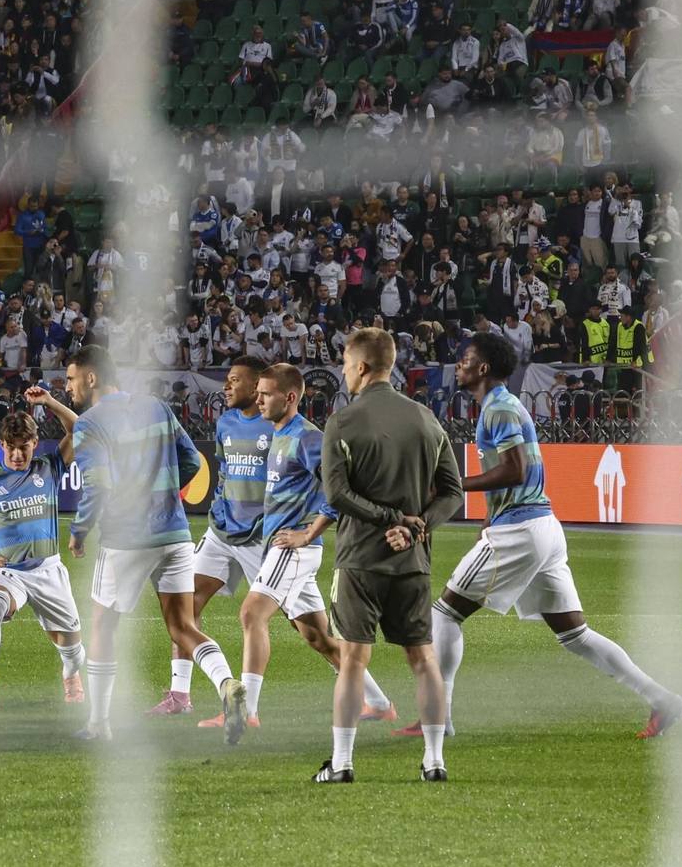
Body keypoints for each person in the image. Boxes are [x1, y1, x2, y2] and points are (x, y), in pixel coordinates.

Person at [405, 334, 682, 740]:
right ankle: (663, 698)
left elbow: (515, 470)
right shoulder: (503, 404)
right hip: (541, 527)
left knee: (445, 613)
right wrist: (490, 515)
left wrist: (451, 485)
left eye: (465, 359)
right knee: (575, 635)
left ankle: (439, 718)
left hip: (521, 529)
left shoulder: (498, 408)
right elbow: (521, 473)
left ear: (483, 368)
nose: (459, 364)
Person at [66, 344, 247, 743]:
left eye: (70, 378)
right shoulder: (157, 407)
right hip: (175, 534)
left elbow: (98, 486)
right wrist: (161, 490)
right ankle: (226, 684)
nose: (67, 388)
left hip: (126, 538)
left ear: (91, 377)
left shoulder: (90, 422)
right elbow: (193, 463)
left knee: (102, 626)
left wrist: (79, 532)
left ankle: (98, 724)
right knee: (182, 626)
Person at [317, 327, 465, 784]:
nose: (343, 373)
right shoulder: (427, 419)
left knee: (353, 661)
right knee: (423, 660)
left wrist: (388, 519)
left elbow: (337, 495)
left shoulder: (341, 422)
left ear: (360, 366)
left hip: (360, 561)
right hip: (412, 564)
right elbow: (453, 493)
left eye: (344, 365)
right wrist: (417, 526)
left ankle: (341, 764)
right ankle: (435, 760)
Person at [234, 362, 398, 737]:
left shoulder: (307, 438)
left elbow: (338, 491)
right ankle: (380, 705)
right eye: (257, 391)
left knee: (251, 613)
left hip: (293, 548)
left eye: (265, 393)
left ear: (289, 397)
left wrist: (308, 533)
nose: (257, 399)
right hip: (281, 546)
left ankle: (247, 712)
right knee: (319, 638)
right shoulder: (280, 432)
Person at [148, 356, 268, 718]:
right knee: (186, 606)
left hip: (262, 537)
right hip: (221, 531)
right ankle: (180, 696)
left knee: (308, 627)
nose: (227, 386)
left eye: (234, 380)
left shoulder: (280, 426)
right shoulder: (227, 421)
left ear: (257, 386)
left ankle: (366, 691)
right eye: (227, 380)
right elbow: (226, 472)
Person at [0, 400, 86, 711]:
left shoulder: (48, 466)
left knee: (74, 651)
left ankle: (70, 675)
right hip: (9, 572)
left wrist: (49, 402)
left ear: (34, 443)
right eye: (10, 448)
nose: (17, 455)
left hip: (49, 571)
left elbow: (79, 428)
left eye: (23, 448)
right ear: (1, 444)